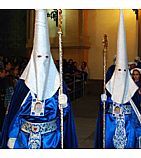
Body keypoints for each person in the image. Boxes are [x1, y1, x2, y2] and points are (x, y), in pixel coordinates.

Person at [0, 9, 78, 149]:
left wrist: (65, 105)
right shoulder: (24, 86)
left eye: (46, 58)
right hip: (24, 141)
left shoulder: (57, 86)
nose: (42, 62)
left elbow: (63, 118)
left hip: (50, 141)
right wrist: (12, 135)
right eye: (39, 58)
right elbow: (16, 114)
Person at [94, 10, 141, 149]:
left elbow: (138, 109)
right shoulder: (109, 87)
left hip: (128, 126)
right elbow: (103, 112)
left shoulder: (132, 89)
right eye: (119, 71)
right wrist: (103, 102)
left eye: (124, 71)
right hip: (111, 125)